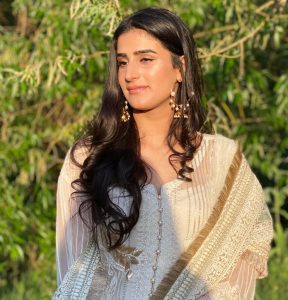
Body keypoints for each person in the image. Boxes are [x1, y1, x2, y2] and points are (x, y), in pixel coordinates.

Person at [53, 7, 273, 300]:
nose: (130, 74)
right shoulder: (89, 159)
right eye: (122, 62)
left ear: (179, 68)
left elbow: (240, 270)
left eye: (146, 59)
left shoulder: (222, 160)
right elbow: (72, 277)